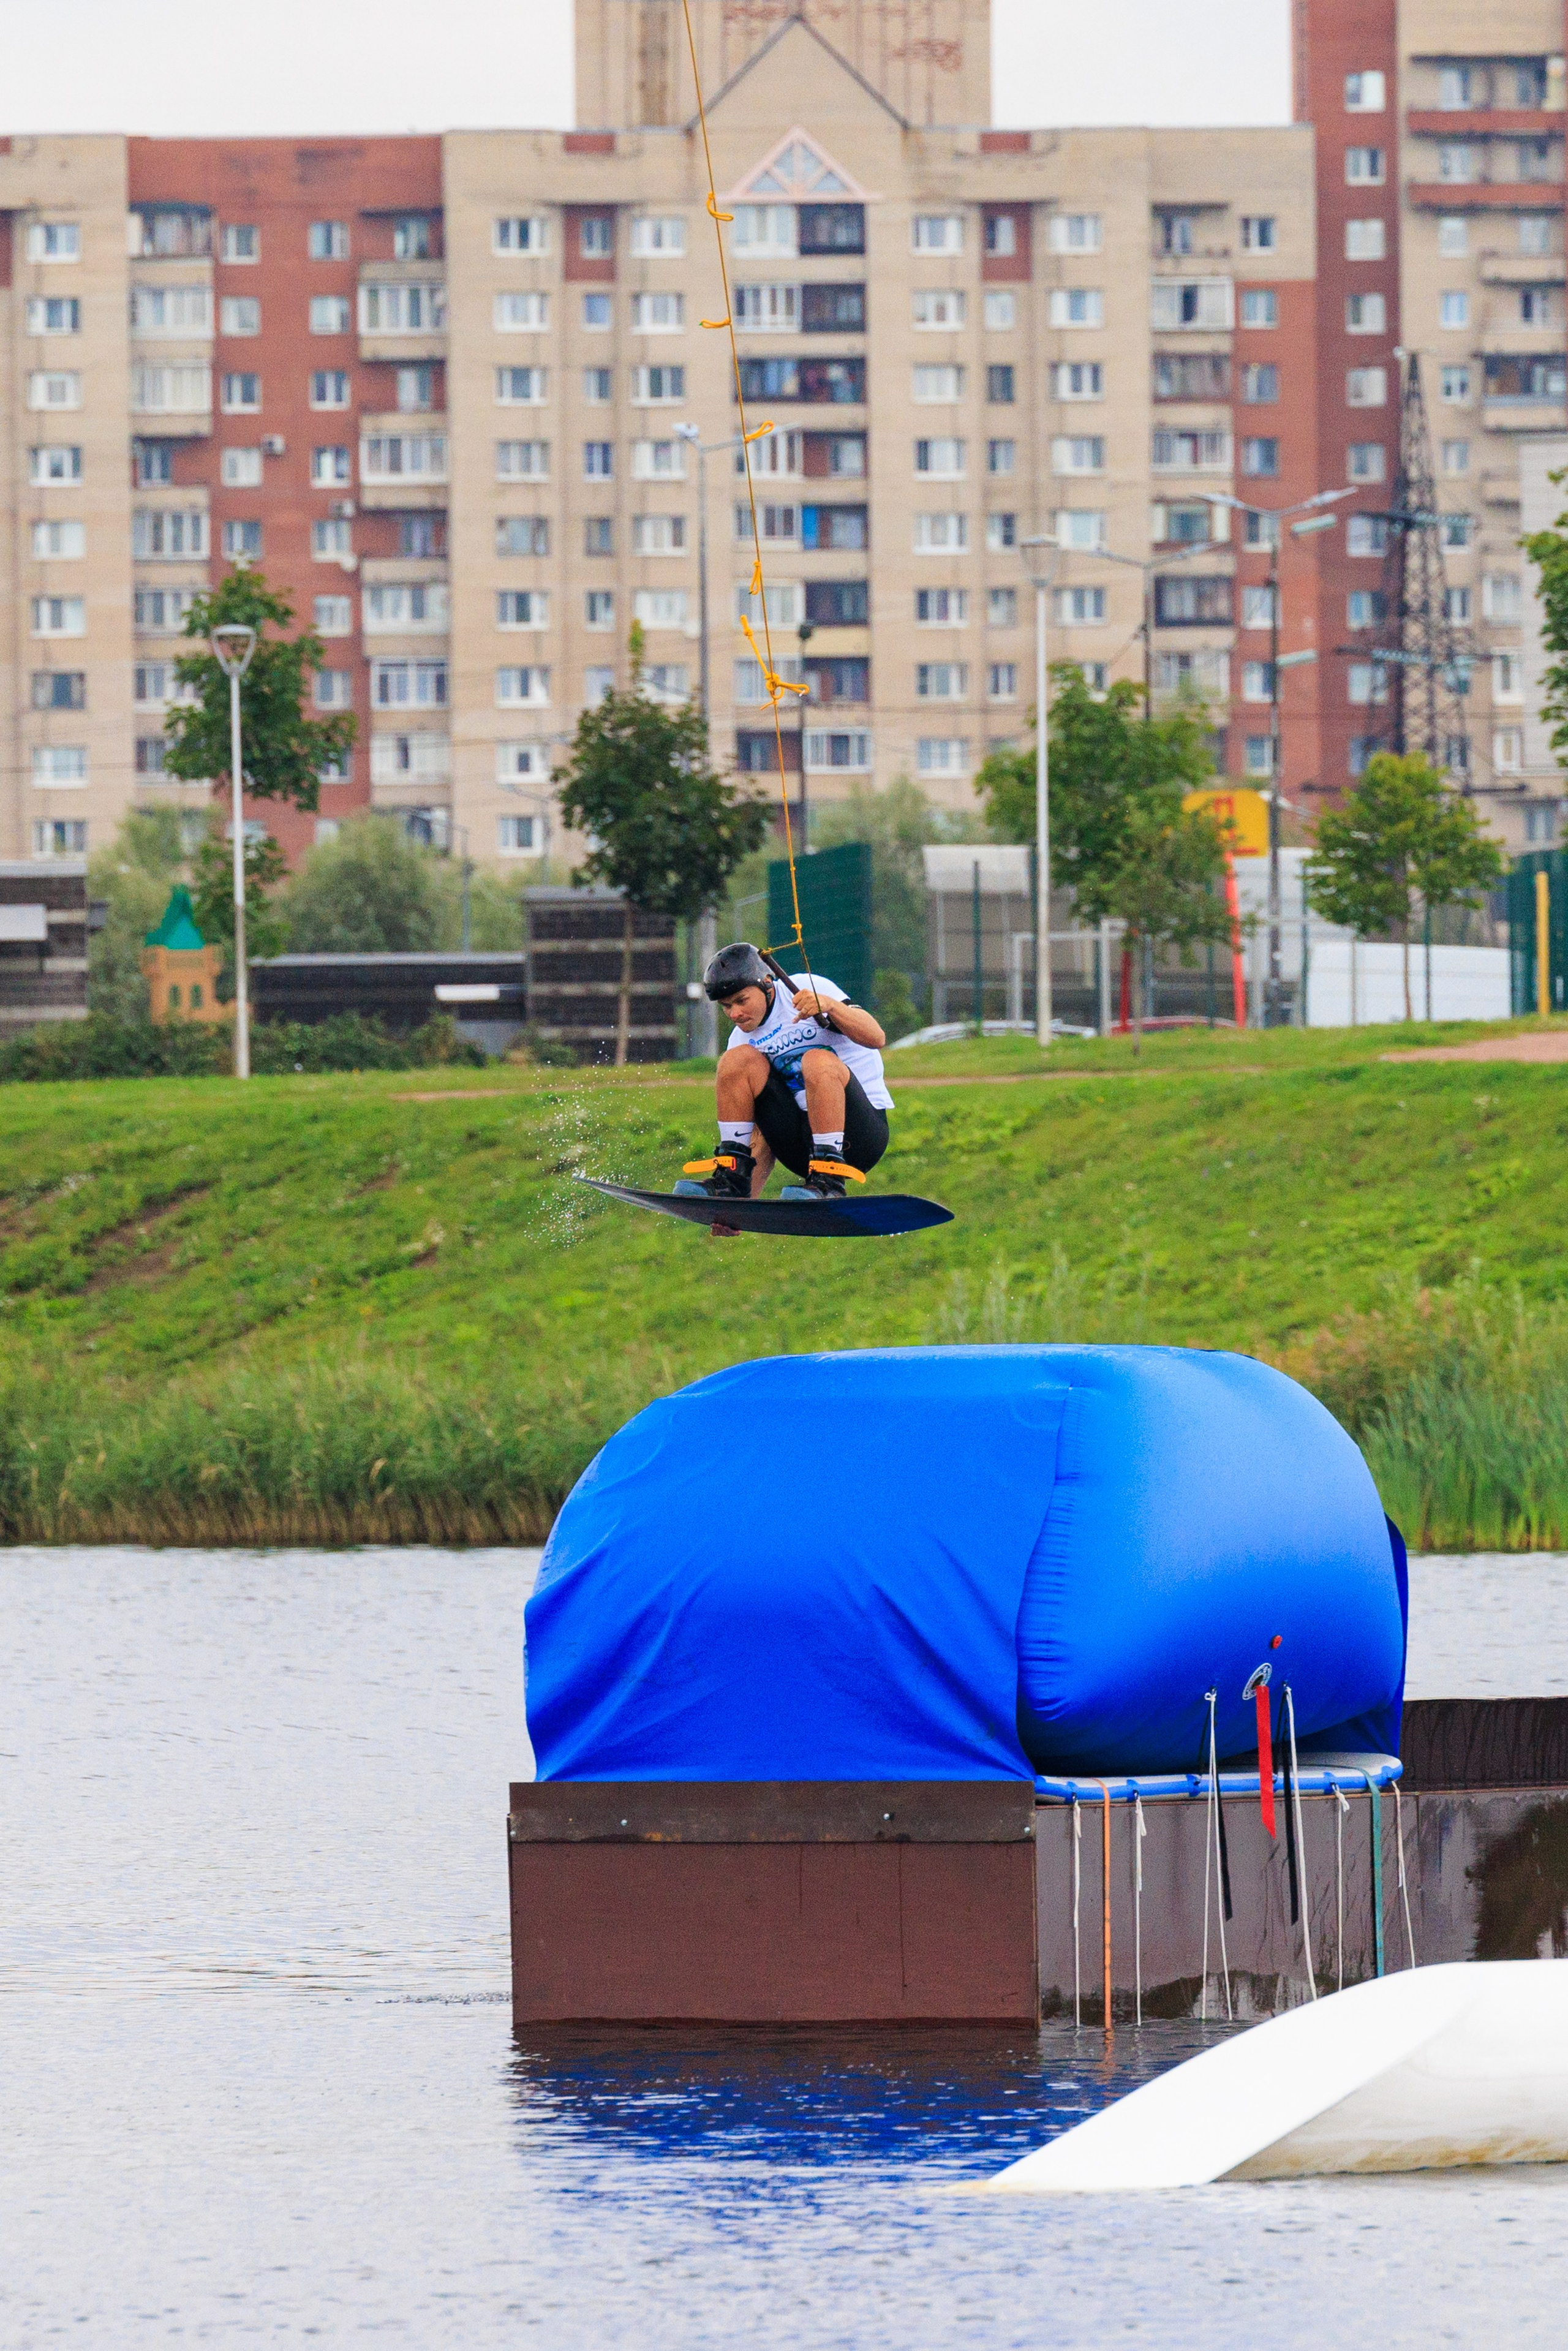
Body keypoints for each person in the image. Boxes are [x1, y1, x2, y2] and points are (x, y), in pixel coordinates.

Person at [674, 942, 893, 1204]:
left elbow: (877, 1037)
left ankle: (829, 1180)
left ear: (767, 984)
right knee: (734, 1061)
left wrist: (830, 1006)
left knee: (816, 1060)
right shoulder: (741, 1040)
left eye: (742, 1001)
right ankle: (732, 1183)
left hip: (860, 1137)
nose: (735, 1014)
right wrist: (737, 1209)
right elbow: (762, 1134)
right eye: (726, 1006)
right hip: (801, 1150)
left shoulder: (804, 989)